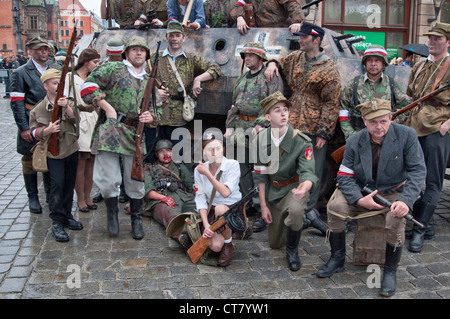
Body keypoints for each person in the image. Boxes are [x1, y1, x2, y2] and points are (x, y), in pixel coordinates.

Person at [316, 99, 426, 297]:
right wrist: (358, 200)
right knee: (335, 208)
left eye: (383, 121)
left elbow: (418, 171)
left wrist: (405, 201)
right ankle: (337, 257)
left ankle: (390, 271)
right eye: (373, 122)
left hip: (393, 191)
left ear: (391, 118)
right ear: (365, 121)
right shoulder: (354, 141)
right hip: (361, 189)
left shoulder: (407, 136)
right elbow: (344, 175)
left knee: (396, 219)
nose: (379, 126)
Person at [265, 22, 341, 233]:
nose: (300, 39)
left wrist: (324, 132)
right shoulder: (296, 58)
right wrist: (271, 63)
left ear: (316, 40)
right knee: (288, 167)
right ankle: (286, 207)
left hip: (313, 126)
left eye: (304, 37)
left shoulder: (329, 68)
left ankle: (309, 211)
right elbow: (281, 62)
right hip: (291, 123)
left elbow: (331, 103)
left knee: (312, 171)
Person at [81, 36, 157, 240]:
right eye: (134, 49)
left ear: (147, 55)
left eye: (142, 50)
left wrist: (151, 117)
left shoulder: (149, 79)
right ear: (126, 53)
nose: (138, 53)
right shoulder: (113, 69)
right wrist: (106, 107)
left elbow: (157, 111)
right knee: (107, 180)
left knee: (135, 180)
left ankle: (136, 220)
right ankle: (112, 216)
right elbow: (86, 87)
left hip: (136, 134)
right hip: (112, 130)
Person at [252, 91, 318, 272]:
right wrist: (263, 206)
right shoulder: (260, 140)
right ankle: (308, 219)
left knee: (295, 212)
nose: (283, 114)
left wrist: (305, 186)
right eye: (277, 110)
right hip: (274, 191)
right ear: (267, 116)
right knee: (274, 244)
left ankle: (292, 250)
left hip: (294, 189)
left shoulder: (302, 141)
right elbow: (260, 176)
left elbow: (308, 172)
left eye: (285, 110)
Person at [224, 42, 283, 232]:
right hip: (241, 128)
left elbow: (275, 104)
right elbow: (234, 105)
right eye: (244, 56)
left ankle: (261, 209)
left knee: (260, 170)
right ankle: (247, 202)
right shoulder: (243, 78)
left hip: (261, 129)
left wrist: (260, 123)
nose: (246, 58)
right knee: (242, 169)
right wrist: (229, 127)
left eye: (250, 55)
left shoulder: (269, 77)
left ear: (260, 58)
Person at [404, 21, 450, 253]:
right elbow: (411, 93)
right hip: (414, 126)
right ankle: (425, 223)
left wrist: (447, 125)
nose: (431, 41)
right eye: (430, 38)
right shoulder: (420, 65)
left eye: (437, 38)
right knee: (412, 176)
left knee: (433, 180)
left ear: (448, 41)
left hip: (436, 128)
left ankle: (420, 230)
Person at [29, 69, 84, 242]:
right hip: (53, 154)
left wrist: (66, 106)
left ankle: (67, 215)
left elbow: (76, 119)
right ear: (45, 85)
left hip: (70, 149)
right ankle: (57, 221)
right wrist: (47, 130)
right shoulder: (39, 109)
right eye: (54, 83)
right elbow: (33, 132)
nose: (58, 86)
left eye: (60, 82)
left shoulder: (68, 102)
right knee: (56, 185)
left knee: (68, 184)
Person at [151, 21, 221, 155]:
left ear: (183, 38)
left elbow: (215, 69)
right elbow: (143, 79)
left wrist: (198, 79)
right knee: (155, 153)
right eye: (171, 35)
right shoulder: (155, 58)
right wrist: (155, 92)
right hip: (158, 115)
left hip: (179, 117)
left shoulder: (190, 59)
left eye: (178, 35)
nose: (174, 39)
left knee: (179, 155)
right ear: (166, 37)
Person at [10, 37, 52, 214]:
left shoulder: (53, 68)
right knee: (29, 159)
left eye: (45, 49)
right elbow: (17, 102)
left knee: (51, 157)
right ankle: (33, 197)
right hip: (30, 118)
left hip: (50, 118)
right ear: (31, 51)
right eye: (39, 49)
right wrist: (24, 127)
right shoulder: (21, 72)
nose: (43, 52)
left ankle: (51, 195)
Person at [339, 45, 411, 140]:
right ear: (365, 63)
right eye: (369, 60)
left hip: (385, 138)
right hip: (359, 136)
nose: (373, 64)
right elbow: (343, 110)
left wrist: (393, 122)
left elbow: (406, 107)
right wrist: (351, 135)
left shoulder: (392, 84)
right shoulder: (353, 84)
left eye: (377, 61)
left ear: (383, 63)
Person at [194, 137, 241, 267]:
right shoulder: (199, 170)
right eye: (210, 149)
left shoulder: (233, 165)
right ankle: (227, 234)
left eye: (218, 148)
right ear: (204, 152)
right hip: (212, 208)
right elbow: (200, 198)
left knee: (221, 209)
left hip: (231, 208)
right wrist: (206, 224)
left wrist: (207, 174)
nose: (215, 153)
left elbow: (225, 192)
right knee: (215, 247)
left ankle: (228, 243)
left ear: (223, 149)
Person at [64, 48, 101, 213]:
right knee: (81, 160)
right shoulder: (70, 78)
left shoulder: (93, 78)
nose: (97, 65)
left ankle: (88, 196)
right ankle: (80, 199)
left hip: (94, 119)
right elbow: (67, 99)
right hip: (80, 120)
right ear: (86, 62)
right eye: (95, 62)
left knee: (91, 161)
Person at [143, 139, 196, 247]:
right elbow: (148, 192)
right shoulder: (150, 168)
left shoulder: (180, 167)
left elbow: (192, 187)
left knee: (200, 211)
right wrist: (163, 198)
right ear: (157, 154)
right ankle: (183, 236)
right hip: (161, 201)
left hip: (184, 198)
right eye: (162, 151)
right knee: (172, 215)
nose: (166, 154)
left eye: (168, 150)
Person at [229, 0, 305, 35]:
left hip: (281, 31)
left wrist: (297, 22)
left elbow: (292, 5)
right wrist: (239, 17)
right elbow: (237, 7)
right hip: (259, 32)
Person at [100, 0, 166, 28]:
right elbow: (104, 16)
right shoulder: (116, 2)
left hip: (141, 33)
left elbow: (145, 16)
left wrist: (140, 21)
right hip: (124, 32)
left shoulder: (144, 2)